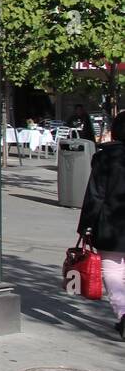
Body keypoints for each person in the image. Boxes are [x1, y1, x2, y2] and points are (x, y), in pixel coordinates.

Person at [77, 111, 125, 341]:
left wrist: (85, 226)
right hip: (114, 222)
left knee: (113, 270)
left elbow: (95, 195)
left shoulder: (106, 157)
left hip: (111, 223)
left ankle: (123, 314)